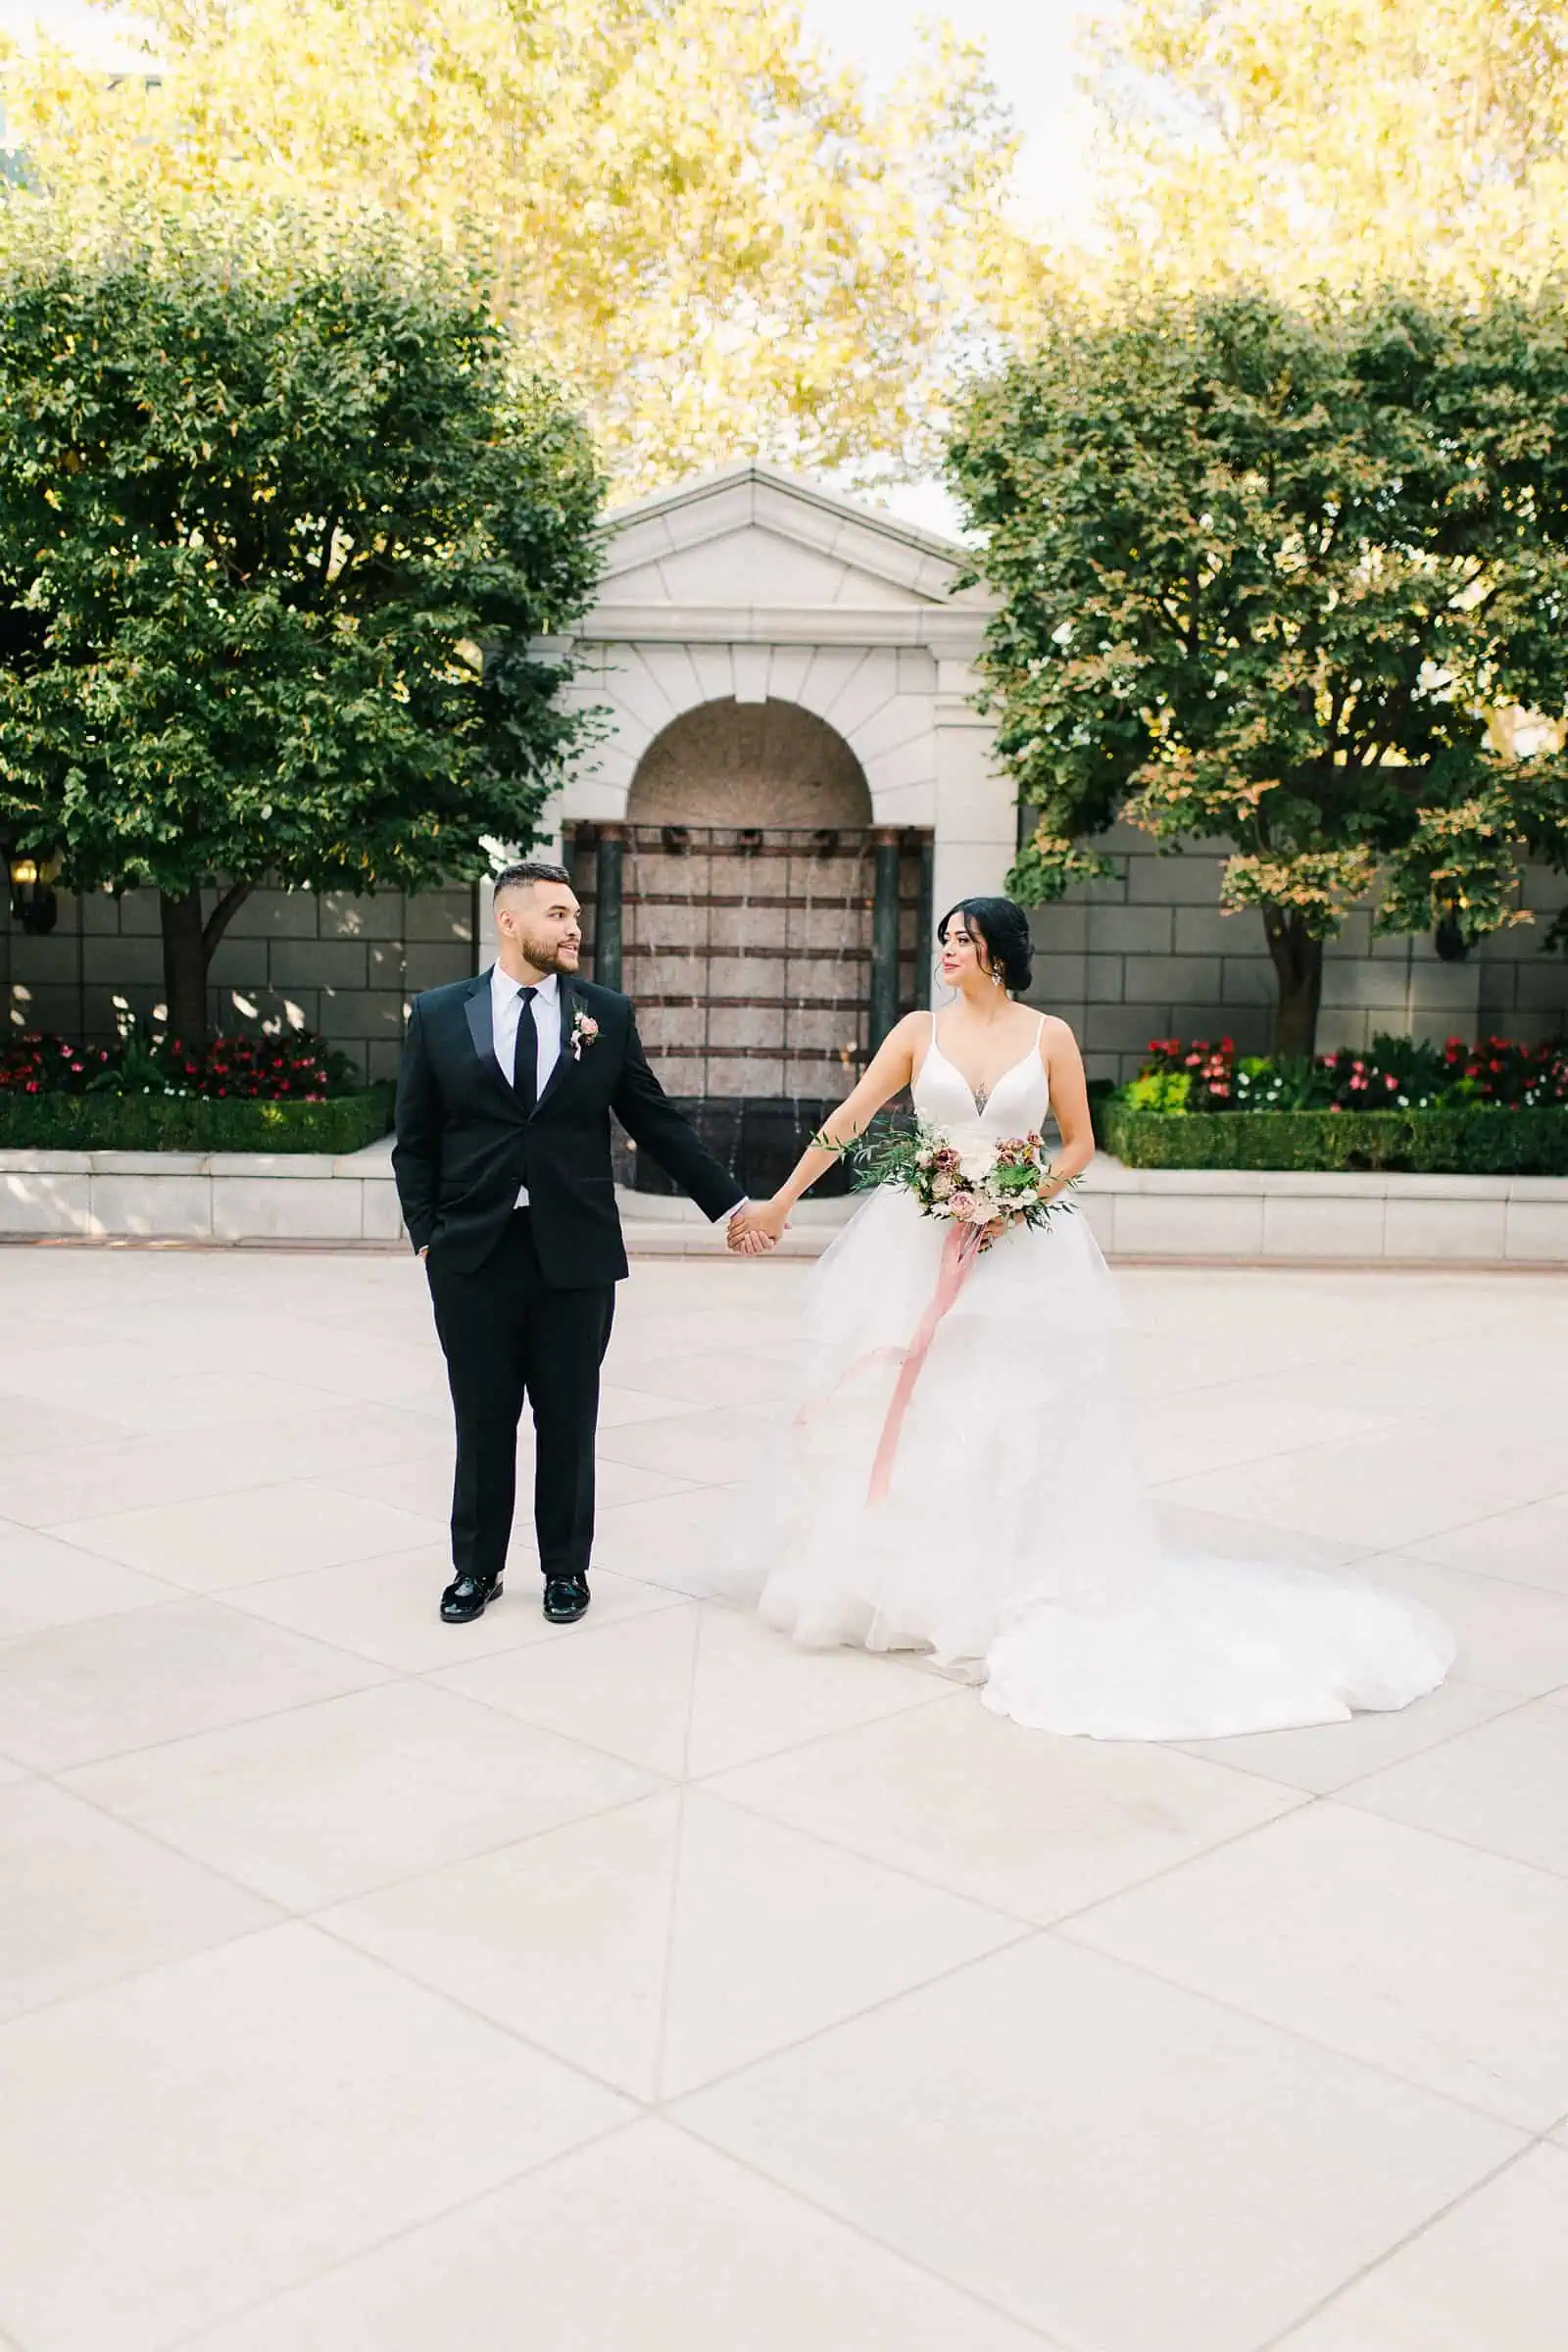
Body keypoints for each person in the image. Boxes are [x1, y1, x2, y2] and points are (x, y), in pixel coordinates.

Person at [725, 896, 1453, 1740]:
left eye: (964, 940)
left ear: (999, 951)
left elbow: (1075, 1144)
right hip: (917, 1239)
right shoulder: (918, 1031)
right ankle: (896, 1583)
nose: (948, 952)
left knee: (1010, 1409)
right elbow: (850, 1120)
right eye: (944, 941)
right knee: (917, 1403)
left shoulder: (1050, 1038)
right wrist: (778, 1204)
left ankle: (1005, 1581)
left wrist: (1015, 1199)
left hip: (1022, 1250)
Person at [392, 860, 769, 1628]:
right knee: (482, 1417)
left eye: (573, 915)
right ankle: (477, 1568)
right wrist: (428, 1236)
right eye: (558, 915)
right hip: (472, 1254)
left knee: (569, 1416)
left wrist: (732, 1205)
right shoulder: (437, 1013)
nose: (573, 928)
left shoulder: (605, 1014)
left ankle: (566, 1570)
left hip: (576, 1252)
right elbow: (415, 1139)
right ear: (510, 921)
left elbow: (656, 1121)